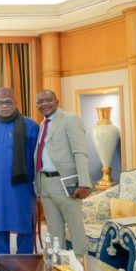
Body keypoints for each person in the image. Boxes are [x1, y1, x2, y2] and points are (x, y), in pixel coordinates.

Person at [0, 87, 38, 271]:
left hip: (22, 186)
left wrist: (38, 184)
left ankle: (24, 264)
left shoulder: (30, 126)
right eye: (1, 103)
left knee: (24, 223)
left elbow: (37, 158)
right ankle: (3, 264)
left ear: (16, 104)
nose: (4, 106)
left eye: (8, 102)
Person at [34, 89, 90, 257]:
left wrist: (84, 183)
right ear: (37, 105)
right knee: (54, 230)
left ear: (56, 102)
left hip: (66, 182)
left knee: (75, 227)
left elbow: (80, 152)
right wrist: (38, 185)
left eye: (48, 100)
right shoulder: (43, 124)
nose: (45, 104)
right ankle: (59, 266)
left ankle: (81, 266)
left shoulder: (70, 119)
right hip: (45, 183)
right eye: (40, 101)